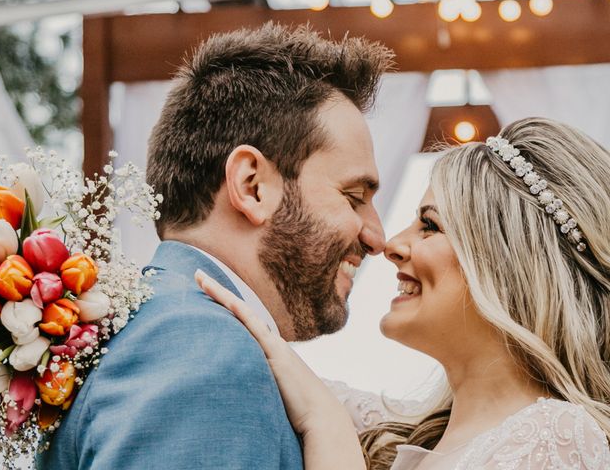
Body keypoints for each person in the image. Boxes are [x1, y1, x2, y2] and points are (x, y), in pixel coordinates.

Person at [37, 24, 393, 469]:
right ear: (252, 186)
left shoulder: (149, 326)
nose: (377, 237)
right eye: (354, 196)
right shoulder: (201, 346)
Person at [197, 117, 610, 469]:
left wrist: (329, 431)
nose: (391, 244)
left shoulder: (558, 441)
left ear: (508, 261)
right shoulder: (391, 428)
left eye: (429, 226)